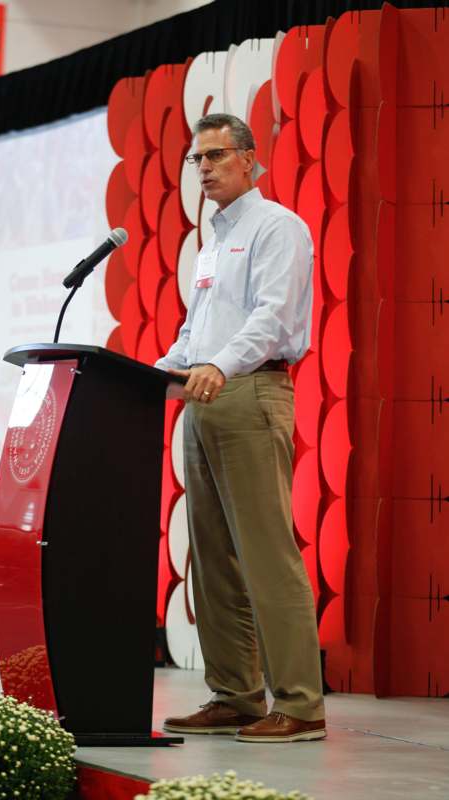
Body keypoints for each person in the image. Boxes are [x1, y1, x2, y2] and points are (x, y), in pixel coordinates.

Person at [155, 113, 325, 743]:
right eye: (197, 159)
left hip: (249, 391)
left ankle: (302, 705)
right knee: (214, 560)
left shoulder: (277, 227)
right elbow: (193, 333)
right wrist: (147, 377)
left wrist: (215, 366)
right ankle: (236, 695)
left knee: (266, 555)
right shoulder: (212, 241)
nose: (204, 168)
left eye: (217, 156)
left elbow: (271, 318)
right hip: (202, 395)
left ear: (251, 159)